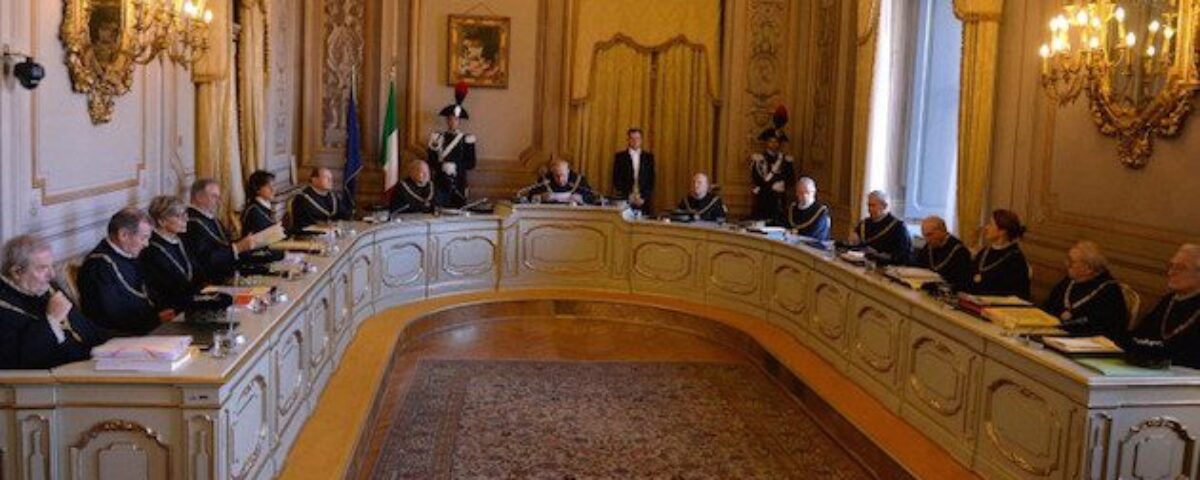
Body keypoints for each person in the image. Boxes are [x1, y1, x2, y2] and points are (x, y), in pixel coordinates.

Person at [0, 235, 105, 369]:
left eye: (52, 266)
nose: (52, 274)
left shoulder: (46, 287)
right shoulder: (4, 308)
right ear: (17, 272)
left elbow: (84, 327)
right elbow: (20, 360)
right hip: (54, 377)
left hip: (91, 361)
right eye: (42, 268)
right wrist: (52, 321)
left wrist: (110, 345)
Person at [78, 207, 172, 336]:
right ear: (123, 235)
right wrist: (155, 319)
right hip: (119, 336)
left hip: (146, 326)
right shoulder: (98, 267)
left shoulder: (128, 254)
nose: (146, 244)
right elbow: (111, 315)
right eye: (143, 238)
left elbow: (147, 290)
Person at [1128, 244, 1200, 368]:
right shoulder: (1169, 299)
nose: (1170, 272)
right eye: (1171, 266)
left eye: (1180, 268)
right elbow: (1139, 335)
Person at [1042, 241, 1128, 340]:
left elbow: (1102, 329)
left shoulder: (1109, 292)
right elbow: (1048, 307)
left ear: (1088, 269)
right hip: (1056, 336)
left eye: (1071, 262)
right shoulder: (1070, 281)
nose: (1066, 264)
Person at [182, 179, 257, 284]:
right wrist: (238, 248)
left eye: (218, 197)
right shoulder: (191, 223)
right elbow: (206, 259)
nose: (218, 201)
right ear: (199, 197)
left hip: (228, 273)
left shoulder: (209, 217)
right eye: (214, 196)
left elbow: (225, 242)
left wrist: (245, 243)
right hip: (210, 281)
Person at [141, 196, 200, 312]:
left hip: (190, 300)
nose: (186, 219)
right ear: (162, 221)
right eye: (179, 216)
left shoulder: (181, 239)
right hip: (171, 309)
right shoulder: (152, 250)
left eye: (185, 214)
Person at [428, 84, 477, 208]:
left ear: (459, 121)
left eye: (455, 119)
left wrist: (455, 166)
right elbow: (430, 160)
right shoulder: (437, 137)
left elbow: (471, 163)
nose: (452, 122)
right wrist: (442, 166)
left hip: (458, 182)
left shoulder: (467, 139)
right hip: (440, 181)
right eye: (450, 119)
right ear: (446, 120)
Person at [967, 209, 1031, 299]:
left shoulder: (1015, 260)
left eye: (991, 224)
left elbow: (1011, 295)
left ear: (1002, 231)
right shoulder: (985, 251)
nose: (986, 227)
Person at [849, 191, 912, 265]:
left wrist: (877, 255)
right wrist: (854, 240)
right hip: (862, 264)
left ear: (884, 206)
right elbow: (857, 246)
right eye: (869, 205)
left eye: (873, 205)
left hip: (887, 266)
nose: (870, 209)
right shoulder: (864, 224)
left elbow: (902, 257)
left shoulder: (898, 227)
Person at [913, 216, 972, 290]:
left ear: (943, 231)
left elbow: (961, 281)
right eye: (924, 235)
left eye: (930, 235)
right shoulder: (929, 246)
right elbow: (918, 267)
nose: (927, 239)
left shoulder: (960, 251)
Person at [749, 127, 795, 221]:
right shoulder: (759, 159)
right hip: (763, 199)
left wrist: (783, 184)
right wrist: (772, 186)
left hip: (779, 200)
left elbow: (791, 179)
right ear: (766, 142)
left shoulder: (785, 160)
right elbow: (757, 179)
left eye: (776, 141)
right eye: (771, 141)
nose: (774, 144)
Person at [289, 167, 352, 233]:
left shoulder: (333, 196)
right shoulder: (302, 199)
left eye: (331, 178)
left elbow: (344, 214)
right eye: (326, 177)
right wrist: (323, 229)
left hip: (331, 233)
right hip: (310, 236)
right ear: (314, 179)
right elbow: (301, 226)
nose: (330, 180)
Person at [612, 128, 655, 215]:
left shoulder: (649, 157)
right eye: (632, 138)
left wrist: (643, 198)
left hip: (643, 201)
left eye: (638, 138)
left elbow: (651, 180)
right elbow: (616, 179)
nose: (635, 141)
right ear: (628, 140)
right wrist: (628, 195)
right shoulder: (620, 157)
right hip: (625, 200)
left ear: (641, 140)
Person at [524, 159, 597, 205]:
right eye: (557, 176)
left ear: (568, 171)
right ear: (552, 173)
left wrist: (580, 198)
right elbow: (530, 198)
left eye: (563, 175)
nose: (560, 179)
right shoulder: (545, 180)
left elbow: (592, 198)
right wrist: (541, 197)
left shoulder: (579, 180)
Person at [241, 170, 277, 236]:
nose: (273, 189)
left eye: (273, 185)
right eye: (268, 186)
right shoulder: (254, 211)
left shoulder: (265, 206)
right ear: (257, 189)